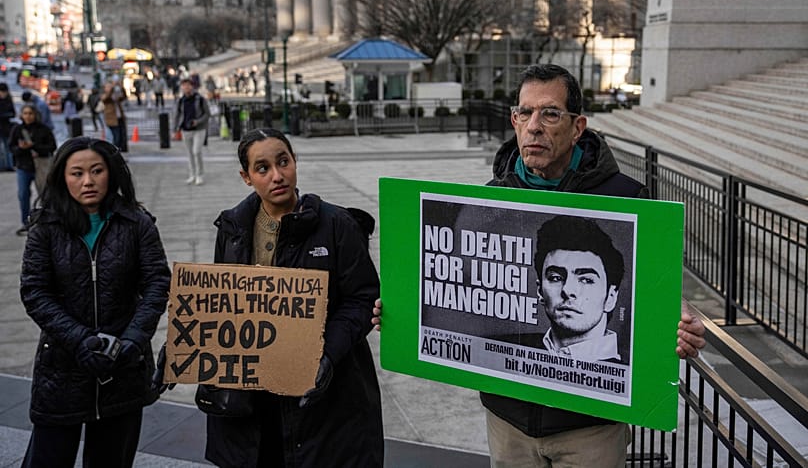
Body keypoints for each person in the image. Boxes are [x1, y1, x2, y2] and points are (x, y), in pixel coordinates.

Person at [373, 64, 706, 468]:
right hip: (508, 420)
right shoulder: (490, 201)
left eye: (549, 113)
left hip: (590, 427)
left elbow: (657, 290)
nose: (534, 126)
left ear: (577, 126)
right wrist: (401, 309)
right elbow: (455, 285)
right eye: (524, 113)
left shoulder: (627, 198)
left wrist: (680, 317)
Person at [203, 128, 383, 468]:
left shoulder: (337, 225)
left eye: (283, 162)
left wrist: (326, 354)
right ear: (246, 177)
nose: (277, 175)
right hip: (256, 401)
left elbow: (362, 299)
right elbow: (220, 300)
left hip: (324, 398)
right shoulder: (233, 229)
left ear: (295, 161)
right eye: (263, 168)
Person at [19, 137, 171, 467]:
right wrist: (79, 340)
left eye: (96, 171)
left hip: (123, 369)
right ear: (62, 177)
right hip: (63, 368)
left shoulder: (136, 223)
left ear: (112, 173)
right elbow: (35, 291)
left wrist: (133, 339)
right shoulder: (46, 225)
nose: (87, 181)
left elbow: (157, 283)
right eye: (77, 173)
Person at [532, 215, 626, 362]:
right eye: (555, 278)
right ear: (540, 291)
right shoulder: (512, 348)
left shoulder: (638, 365)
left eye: (586, 280)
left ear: (611, 297)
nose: (568, 290)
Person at [9, 105, 57, 235]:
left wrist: (35, 147)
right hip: (23, 166)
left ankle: (47, 220)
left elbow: (52, 147)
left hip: (40, 167)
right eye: (25, 113)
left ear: (35, 114)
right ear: (21, 115)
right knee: (23, 194)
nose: (28, 116)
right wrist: (21, 148)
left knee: (44, 194)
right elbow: (11, 147)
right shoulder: (17, 129)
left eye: (30, 113)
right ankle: (26, 222)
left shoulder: (43, 129)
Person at [174, 78, 210, 185]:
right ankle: (192, 174)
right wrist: (175, 129)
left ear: (192, 86)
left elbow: (207, 114)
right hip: (186, 130)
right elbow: (177, 115)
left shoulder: (200, 99)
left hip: (199, 129)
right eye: (184, 85)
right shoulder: (181, 100)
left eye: (188, 85)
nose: (186, 87)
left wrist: (198, 121)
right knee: (189, 153)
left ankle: (199, 175)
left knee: (196, 151)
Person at [100, 82, 126, 151]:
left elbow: (123, 97)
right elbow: (106, 98)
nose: (109, 88)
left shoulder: (115, 96)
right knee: (116, 136)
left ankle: (118, 150)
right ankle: (114, 150)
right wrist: (111, 89)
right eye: (107, 87)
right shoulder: (104, 96)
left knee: (120, 137)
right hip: (112, 120)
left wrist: (122, 87)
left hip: (119, 118)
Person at [0, 82, 15, 170]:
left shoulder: (8, 100)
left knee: (8, 147)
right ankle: (2, 165)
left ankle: (9, 165)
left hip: (6, 127)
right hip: (4, 126)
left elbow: (13, 113)